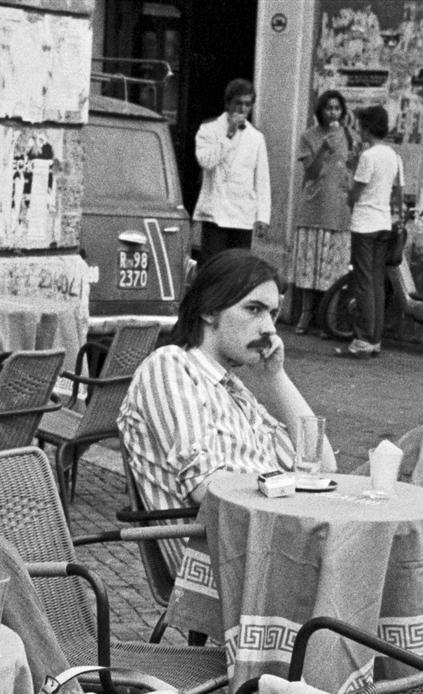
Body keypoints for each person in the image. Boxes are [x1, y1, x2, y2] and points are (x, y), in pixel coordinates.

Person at [116, 249, 330, 512]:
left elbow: (321, 467)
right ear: (209, 310)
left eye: (272, 314)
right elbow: (205, 487)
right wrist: (288, 492)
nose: (270, 328)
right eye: (254, 309)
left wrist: (276, 377)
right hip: (221, 545)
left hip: (269, 531)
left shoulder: (232, 388)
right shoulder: (172, 365)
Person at [290, 89, 356, 335]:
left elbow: (354, 168)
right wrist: (323, 150)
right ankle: (306, 314)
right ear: (321, 110)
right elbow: (311, 172)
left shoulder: (349, 135)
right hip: (314, 208)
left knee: (334, 270)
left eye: (337, 108)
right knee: (310, 267)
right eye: (329, 108)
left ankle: (328, 319)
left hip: (339, 211)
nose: (333, 112)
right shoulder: (309, 136)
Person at [342, 104, 404, 360]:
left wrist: (348, 184)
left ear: (367, 128)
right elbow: (398, 192)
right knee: (377, 282)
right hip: (383, 223)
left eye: (360, 126)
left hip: (364, 223)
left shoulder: (368, 157)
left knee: (363, 282)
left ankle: (363, 338)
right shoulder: (394, 156)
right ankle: (375, 338)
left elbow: (355, 194)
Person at [193, 80, 270, 260]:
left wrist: (263, 217)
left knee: (237, 269)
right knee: (213, 266)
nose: (242, 109)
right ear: (228, 104)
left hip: (242, 213)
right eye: (238, 103)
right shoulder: (209, 129)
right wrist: (228, 135)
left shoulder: (256, 137)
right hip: (215, 212)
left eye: (247, 104)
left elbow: (262, 179)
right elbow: (206, 161)